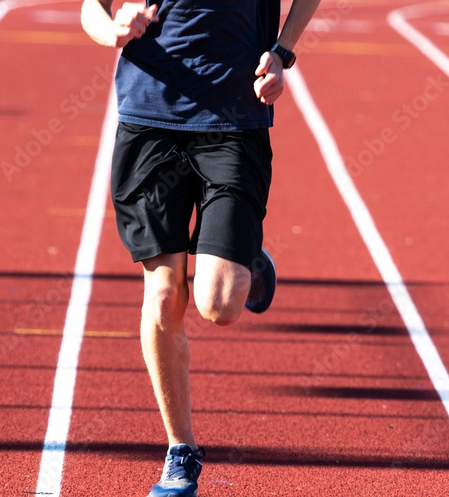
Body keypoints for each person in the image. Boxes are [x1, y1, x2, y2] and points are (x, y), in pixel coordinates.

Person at [81, 1, 321, 495]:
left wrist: (283, 51)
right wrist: (110, 32)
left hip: (234, 123)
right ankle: (181, 450)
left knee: (219, 304)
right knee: (165, 294)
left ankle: (246, 259)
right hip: (148, 120)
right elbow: (92, 7)